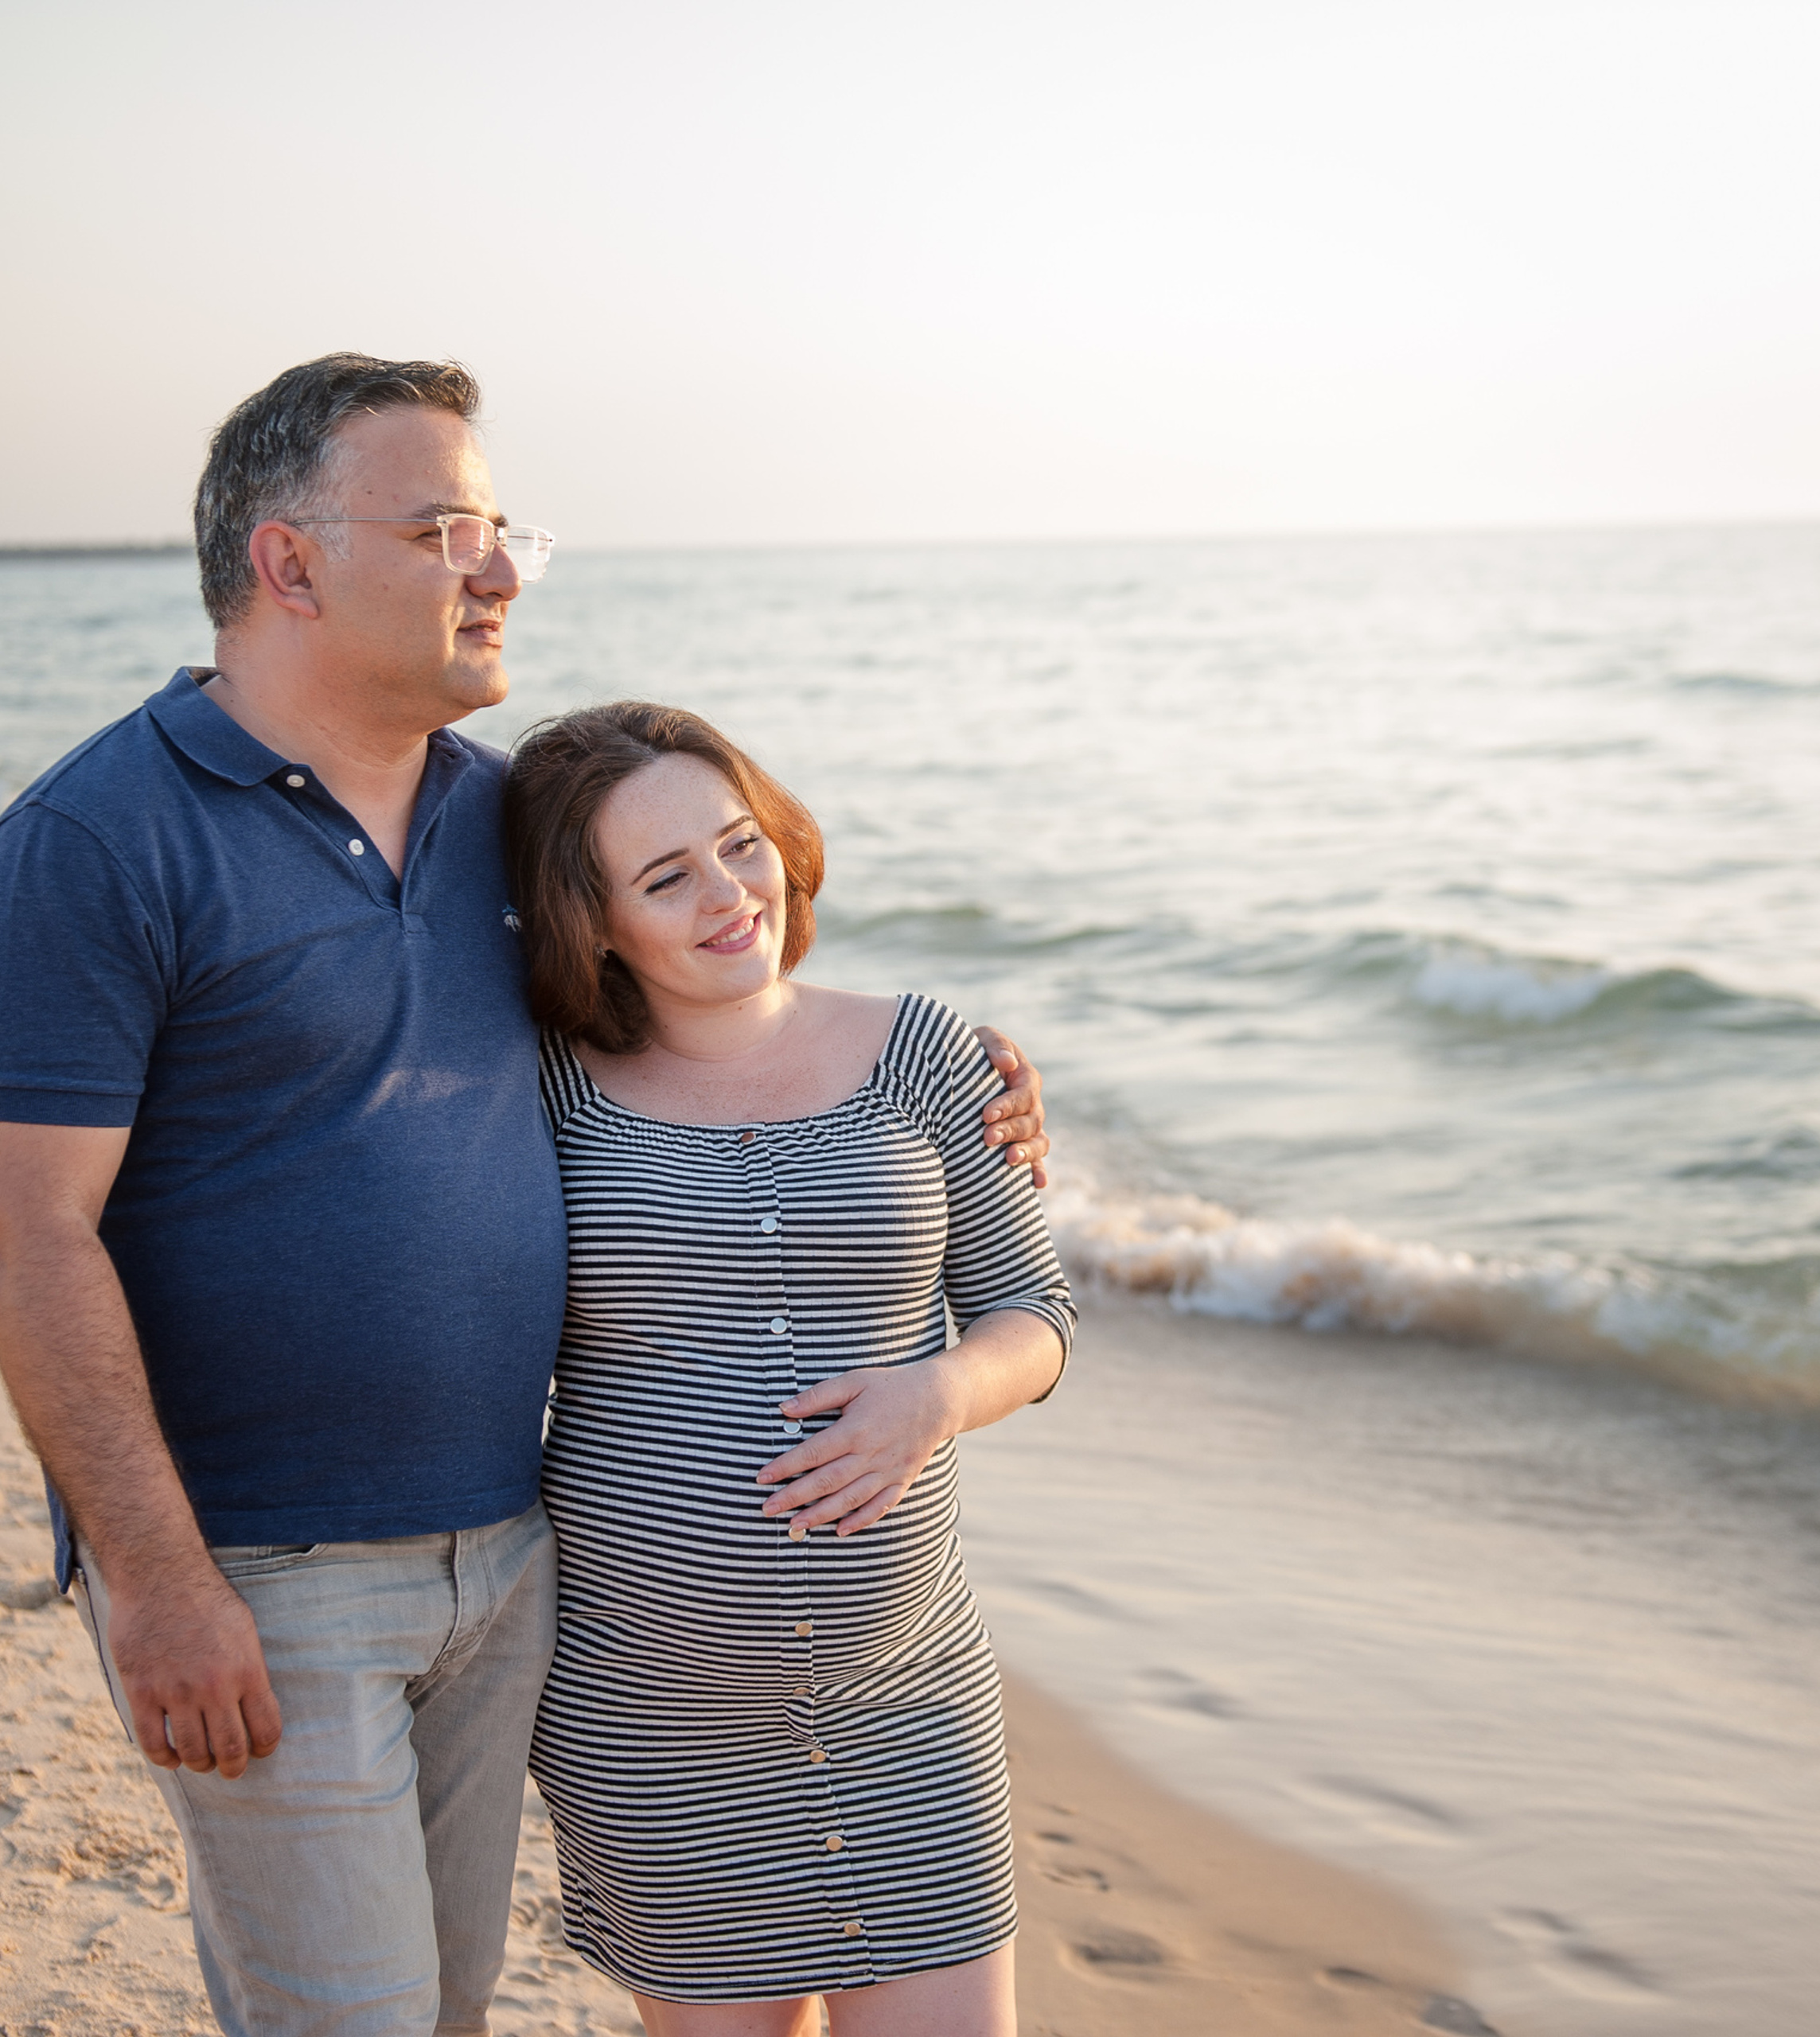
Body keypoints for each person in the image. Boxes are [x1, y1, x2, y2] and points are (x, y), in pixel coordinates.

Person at [0, 353, 1050, 2037]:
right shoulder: (95, 839)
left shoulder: (506, 827)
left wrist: (953, 1068)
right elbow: (26, 1230)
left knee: (449, 2005)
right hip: (265, 1563)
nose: (497, 570)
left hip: (512, 1556)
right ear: (289, 563)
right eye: (446, 530)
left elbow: (706, 1022)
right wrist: (158, 1576)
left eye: (505, 532)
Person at [501, 702, 1072, 2037]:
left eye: (739, 844)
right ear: (592, 924)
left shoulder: (930, 1054)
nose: (726, 895)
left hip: (908, 1694)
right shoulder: (537, 1092)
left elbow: (1036, 1312)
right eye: (665, 877)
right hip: (654, 1717)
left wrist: (937, 1394)